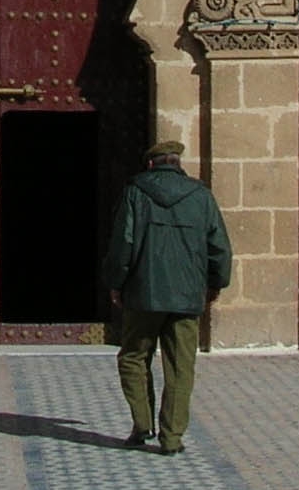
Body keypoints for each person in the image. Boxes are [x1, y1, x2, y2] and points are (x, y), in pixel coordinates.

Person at [99, 138, 232, 456]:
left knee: (133, 357)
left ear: (150, 165)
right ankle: (172, 438)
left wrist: (115, 283)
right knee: (180, 366)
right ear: (178, 163)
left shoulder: (135, 193)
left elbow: (123, 244)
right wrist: (215, 284)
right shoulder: (201, 196)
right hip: (187, 296)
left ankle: (142, 425)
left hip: (143, 294)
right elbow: (219, 247)